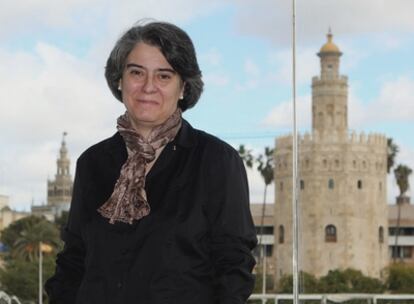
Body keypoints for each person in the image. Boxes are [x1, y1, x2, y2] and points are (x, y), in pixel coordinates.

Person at [45, 20, 257, 304]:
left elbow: (234, 267)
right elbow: (73, 261)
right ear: (119, 80)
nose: (148, 87)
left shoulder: (216, 161)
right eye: (136, 72)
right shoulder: (92, 164)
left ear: (183, 87)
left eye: (164, 76)